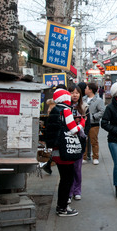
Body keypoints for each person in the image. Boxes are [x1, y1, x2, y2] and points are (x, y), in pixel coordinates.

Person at [45, 88, 86, 216]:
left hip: (57, 151)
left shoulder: (54, 110)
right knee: (67, 179)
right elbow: (73, 129)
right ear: (65, 98)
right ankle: (62, 207)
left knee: (64, 178)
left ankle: (61, 206)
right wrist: (82, 124)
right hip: (66, 151)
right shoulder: (66, 110)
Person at [67, 84, 89, 202]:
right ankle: (69, 192)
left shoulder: (84, 107)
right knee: (69, 168)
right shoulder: (65, 107)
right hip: (68, 140)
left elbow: (88, 124)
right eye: (72, 92)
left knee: (77, 168)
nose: (74, 95)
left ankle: (77, 190)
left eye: (77, 92)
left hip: (79, 141)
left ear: (80, 94)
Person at [84, 82, 105, 165]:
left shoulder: (98, 100)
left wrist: (92, 117)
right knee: (84, 140)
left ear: (90, 90)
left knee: (94, 141)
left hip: (94, 124)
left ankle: (95, 157)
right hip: (84, 124)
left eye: (86, 88)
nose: (85, 90)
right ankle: (84, 157)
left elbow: (102, 111)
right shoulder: (83, 99)